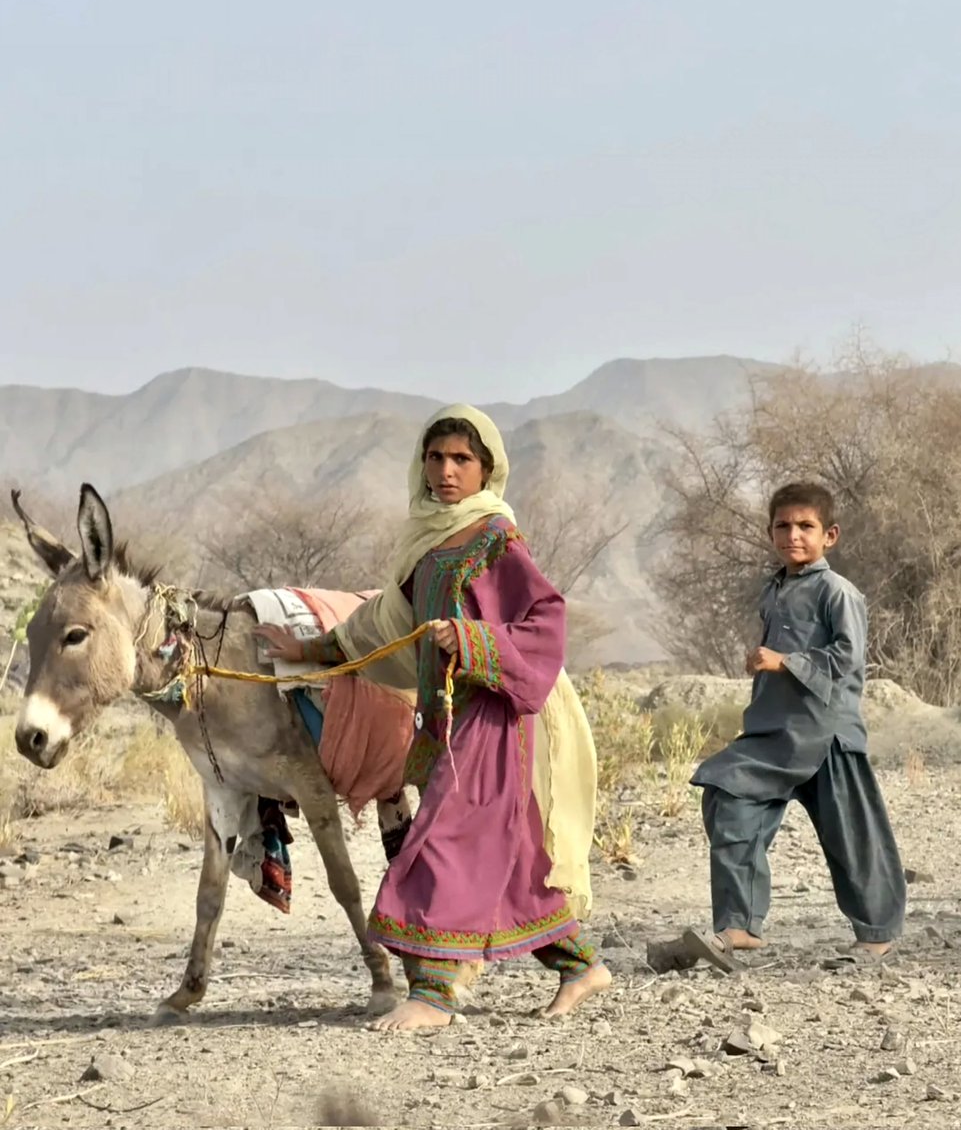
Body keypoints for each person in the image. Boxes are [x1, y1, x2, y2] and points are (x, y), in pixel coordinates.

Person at [255, 404, 610, 1030]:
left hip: (495, 719)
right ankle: (580, 965)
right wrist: (307, 650)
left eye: (462, 459)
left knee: (440, 841)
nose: (447, 471)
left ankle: (435, 994)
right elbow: (383, 626)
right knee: (507, 855)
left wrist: (470, 640)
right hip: (449, 720)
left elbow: (545, 623)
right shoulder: (425, 543)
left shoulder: (495, 539)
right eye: (436, 457)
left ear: (486, 469)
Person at [681, 481, 905, 971]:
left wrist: (784, 661)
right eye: (783, 526)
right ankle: (739, 925)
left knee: (852, 837)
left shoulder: (837, 592)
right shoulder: (774, 589)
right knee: (728, 794)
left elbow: (848, 657)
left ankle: (878, 934)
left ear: (830, 535)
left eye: (806, 526)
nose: (793, 535)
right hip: (774, 734)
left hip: (826, 734)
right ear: (770, 533)